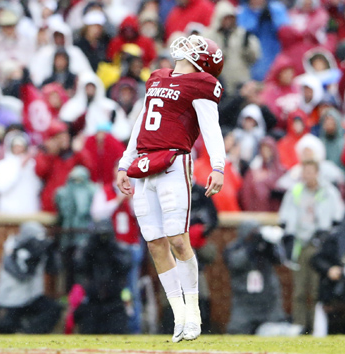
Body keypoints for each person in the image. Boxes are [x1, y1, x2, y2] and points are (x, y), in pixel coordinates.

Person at [117, 35, 226, 342]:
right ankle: (179, 316)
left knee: (178, 239)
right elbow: (140, 122)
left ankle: (194, 314)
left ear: (205, 61)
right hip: (144, 162)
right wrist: (125, 162)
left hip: (174, 163)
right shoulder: (157, 76)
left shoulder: (203, 84)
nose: (191, 44)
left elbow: (211, 127)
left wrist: (218, 166)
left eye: (198, 46)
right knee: (154, 243)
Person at [279, 160, 345, 333]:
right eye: (305, 172)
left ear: (317, 172)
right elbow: (285, 218)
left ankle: (317, 327)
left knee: (317, 289)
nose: (307, 175)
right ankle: (300, 326)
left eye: (310, 171)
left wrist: (326, 239)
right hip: (300, 244)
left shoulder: (328, 192)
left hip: (319, 246)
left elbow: (337, 218)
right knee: (299, 290)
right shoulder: (295, 191)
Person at [90, 167, 142, 333]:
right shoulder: (105, 191)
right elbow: (97, 213)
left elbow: (143, 214)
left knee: (132, 289)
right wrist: (119, 200)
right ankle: (111, 326)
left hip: (131, 246)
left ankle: (134, 328)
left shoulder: (137, 191)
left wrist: (132, 200)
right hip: (110, 251)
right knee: (110, 288)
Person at [0, 222, 62, 334]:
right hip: (11, 298)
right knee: (6, 326)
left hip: (32, 296)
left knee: (53, 309)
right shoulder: (12, 246)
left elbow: (54, 270)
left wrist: (51, 253)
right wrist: (33, 256)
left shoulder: (41, 248)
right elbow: (20, 274)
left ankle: (30, 333)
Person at [223, 221, 286, 334]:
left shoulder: (265, 246)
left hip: (268, 303)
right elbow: (235, 262)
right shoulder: (235, 247)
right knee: (236, 332)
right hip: (244, 304)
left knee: (276, 332)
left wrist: (270, 245)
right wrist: (252, 247)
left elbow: (280, 259)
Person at [73, 220, 132, 334]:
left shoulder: (117, 247)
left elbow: (126, 265)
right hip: (92, 302)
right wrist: (91, 247)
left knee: (118, 332)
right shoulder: (88, 248)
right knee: (88, 332)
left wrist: (112, 248)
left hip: (114, 303)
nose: (103, 238)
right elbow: (78, 266)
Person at [311, 205, 345, 335]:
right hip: (337, 292)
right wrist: (330, 269)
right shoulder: (334, 238)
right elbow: (316, 259)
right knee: (336, 329)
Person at [0, 131, 41, 214]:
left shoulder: (32, 164)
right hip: (8, 213)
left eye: (22, 146)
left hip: (30, 211)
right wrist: (20, 167)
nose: (19, 149)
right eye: (16, 146)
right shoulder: (0, 165)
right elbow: (1, 188)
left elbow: (37, 188)